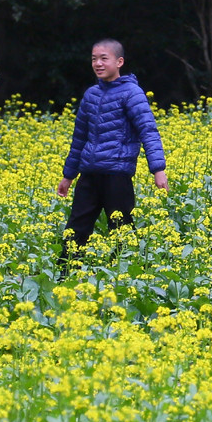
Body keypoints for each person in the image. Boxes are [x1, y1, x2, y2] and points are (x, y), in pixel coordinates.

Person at [56, 38, 168, 264]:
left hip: (117, 173)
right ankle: (64, 276)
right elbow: (79, 139)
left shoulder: (132, 93)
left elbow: (148, 130)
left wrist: (158, 169)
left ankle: (126, 276)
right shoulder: (91, 95)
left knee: (121, 228)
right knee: (76, 226)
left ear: (119, 62)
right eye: (94, 59)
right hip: (89, 172)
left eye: (103, 58)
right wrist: (68, 175)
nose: (97, 63)